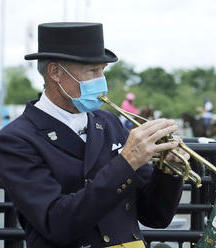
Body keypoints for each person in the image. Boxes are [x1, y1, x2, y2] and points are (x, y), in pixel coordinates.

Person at [0, 22, 187, 248]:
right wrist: (126, 163)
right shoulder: (16, 139)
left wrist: (168, 170)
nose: (101, 80)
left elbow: (156, 217)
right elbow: (57, 223)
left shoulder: (109, 122)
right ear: (56, 72)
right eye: (92, 71)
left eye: (102, 71)